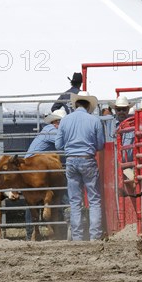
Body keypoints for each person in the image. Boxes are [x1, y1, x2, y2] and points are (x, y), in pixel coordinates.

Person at [55, 91, 105, 241]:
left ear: (75, 104)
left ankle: (77, 237)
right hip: (88, 159)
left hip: (71, 160)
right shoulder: (95, 120)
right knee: (94, 199)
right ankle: (95, 236)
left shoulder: (65, 121)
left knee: (75, 201)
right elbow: (100, 145)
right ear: (88, 105)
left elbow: (58, 145)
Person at [24, 108, 66, 240]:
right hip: (34, 167)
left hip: (33, 167)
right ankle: (49, 229)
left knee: (31, 200)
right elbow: (62, 145)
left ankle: (31, 232)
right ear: (57, 122)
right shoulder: (52, 131)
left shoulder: (48, 130)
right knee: (34, 199)